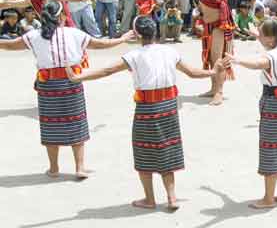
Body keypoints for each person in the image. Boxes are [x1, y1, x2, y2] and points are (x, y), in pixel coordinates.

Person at [65, 16, 224, 210]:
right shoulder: (169, 51)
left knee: (144, 152)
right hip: (169, 108)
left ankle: (150, 199)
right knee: (167, 150)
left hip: (147, 108)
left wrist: (79, 77)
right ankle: (172, 197)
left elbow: (107, 71)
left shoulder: (134, 55)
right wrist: (213, 72)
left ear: (138, 35)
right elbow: (192, 72)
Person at [0, 1, 134, 180]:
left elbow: (9, 45)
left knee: (50, 126)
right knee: (76, 123)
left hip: (47, 85)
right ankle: (79, 167)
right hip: (72, 81)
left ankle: (54, 168)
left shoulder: (34, 36)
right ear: (62, 16)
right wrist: (122, 39)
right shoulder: (73, 33)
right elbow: (101, 44)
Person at [223, 17, 277, 209]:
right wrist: (257, 35)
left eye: (262, 35)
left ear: (271, 39)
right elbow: (268, 51)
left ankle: (268, 199)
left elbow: (259, 63)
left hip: (274, 104)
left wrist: (237, 60)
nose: (259, 37)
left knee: (271, 149)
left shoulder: (269, 56)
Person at [171, 0, 235, 106]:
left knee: (218, 60)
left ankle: (219, 92)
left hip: (220, 26)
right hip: (208, 26)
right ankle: (213, 89)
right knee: (211, 60)